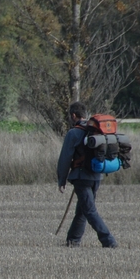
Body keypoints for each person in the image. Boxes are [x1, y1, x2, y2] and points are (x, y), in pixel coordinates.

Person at [57, 102, 118, 248]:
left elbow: (65, 158)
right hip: (97, 176)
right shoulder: (96, 130)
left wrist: (62, 179)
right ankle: (73, 241)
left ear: (73, 115)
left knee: (89, 211)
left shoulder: (73, 133)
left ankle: (108, 241)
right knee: (82, 210)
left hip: (81, 177)